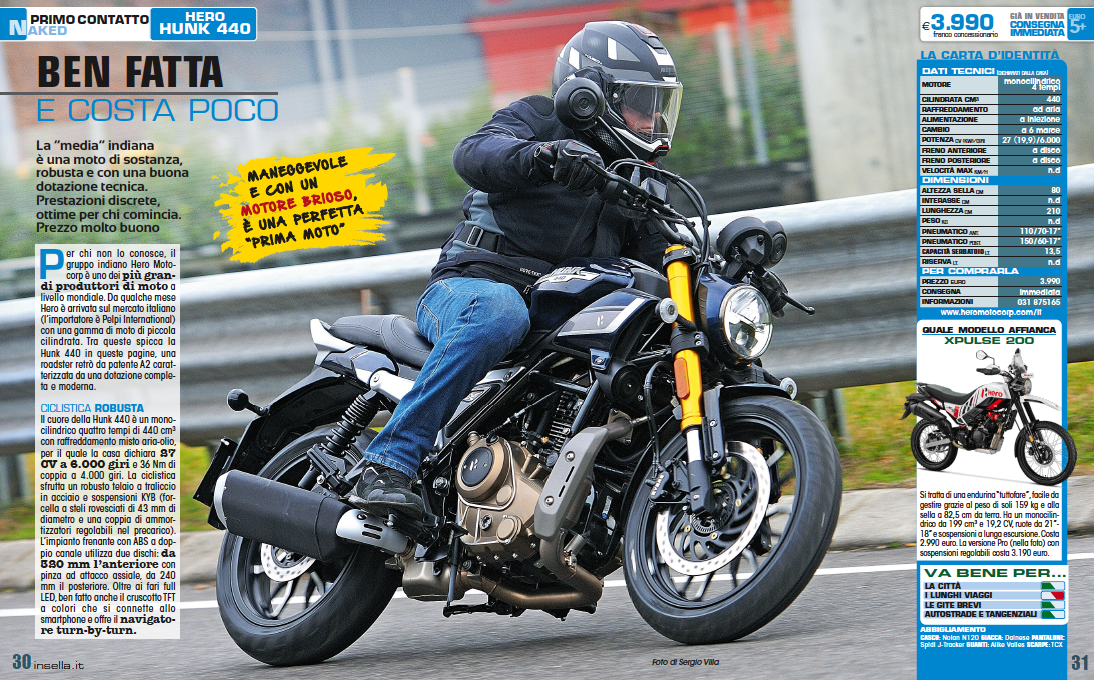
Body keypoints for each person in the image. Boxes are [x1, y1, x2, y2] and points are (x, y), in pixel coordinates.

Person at [348, 20, 684, 520]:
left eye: (659, 104)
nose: (652, 117)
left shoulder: (638, 184)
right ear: (593, 92)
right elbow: (473, 154)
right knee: (500, 313)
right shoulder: (538, 119)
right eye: (640, 101)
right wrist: (545, 157)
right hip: (472, 286)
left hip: (554, 311)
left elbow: (667, 258)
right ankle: (387, 463)